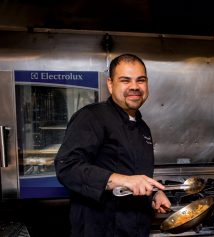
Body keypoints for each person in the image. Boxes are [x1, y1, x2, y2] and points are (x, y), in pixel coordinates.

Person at [55, 53, 171, 237]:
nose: (134, 87)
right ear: (110, 84)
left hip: (136, 228)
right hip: (100, 229)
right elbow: (67, 167)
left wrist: (153, 194)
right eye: (125, 80)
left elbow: (135, 175)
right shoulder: (91, 117)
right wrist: (122, 179)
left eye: (140, 80)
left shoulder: (142, 128)